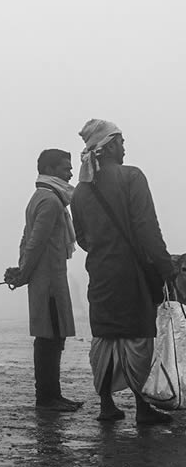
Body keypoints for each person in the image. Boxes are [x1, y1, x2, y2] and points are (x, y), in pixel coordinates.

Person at [69, 119, 177, 424]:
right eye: (121, 141)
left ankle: (107, 405)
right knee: (138, 337)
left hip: (101, 275)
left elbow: (82, 238)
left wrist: (105, 250)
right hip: (132, 274)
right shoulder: (132, 177)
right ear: (110, 145)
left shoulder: (79, 193)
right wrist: (165, 267)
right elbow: (147, 228)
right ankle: (143, 409)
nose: (125, 147)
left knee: (104, 337)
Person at [4, 149, 80, 412]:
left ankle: (52, 396)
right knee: (49, 339)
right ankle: (47, 399)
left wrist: (23, 271)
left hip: (47, 280)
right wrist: (23, 273)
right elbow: (35, 243)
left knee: (52, 338)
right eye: (65, 168)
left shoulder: (42, 197)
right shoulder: (50, 201)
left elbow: (27, 240)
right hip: (48, 283)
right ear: (49, 168)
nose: (71, 172)